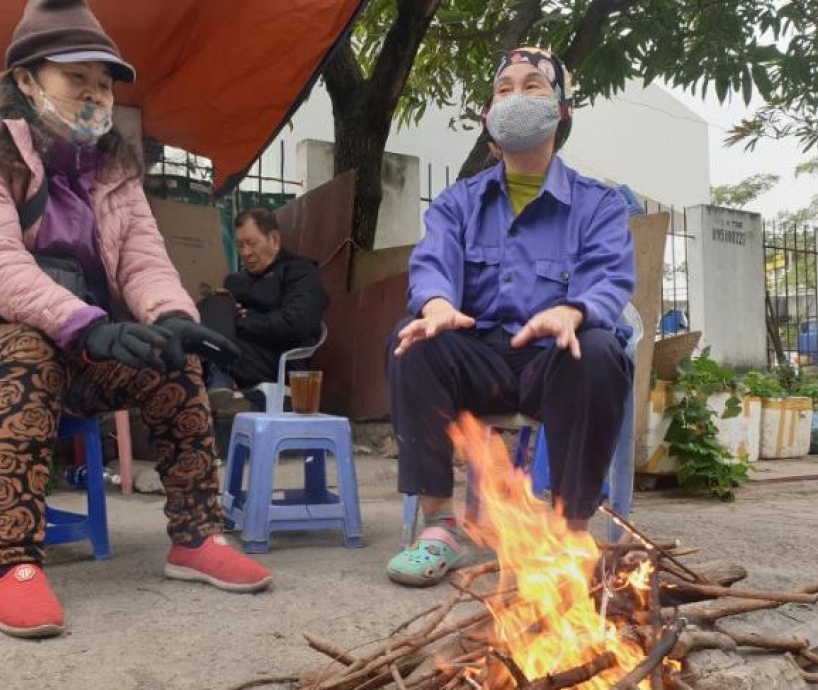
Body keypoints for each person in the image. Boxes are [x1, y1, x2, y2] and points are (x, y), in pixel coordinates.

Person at [0, 0, 271, 639]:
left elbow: (143, 258)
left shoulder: (112, 166)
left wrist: (172, 316)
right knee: (24, 349)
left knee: (171, 358)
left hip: (68, 342)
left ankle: (196, 538)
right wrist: (86, 323)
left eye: (103, 83)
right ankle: (14, 564)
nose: (94, 95)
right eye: (76, 78)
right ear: (25, 79)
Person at [384, 47, 635, 587]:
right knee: (413, 343)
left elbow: (610, 277)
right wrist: (437, 306)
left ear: (561, 112)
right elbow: (432, 265)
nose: (515, 98)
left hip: (553, 364)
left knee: (597, 350)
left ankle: (571, 534)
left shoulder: (598, 204)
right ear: (487, 116)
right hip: (480, 360)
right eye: (504, 89)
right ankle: (440, 525)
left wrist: (572, 311)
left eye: (533, 86)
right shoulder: (458, 202)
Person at [198, 207, 329, 408]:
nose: (245, 253)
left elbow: (295, 324)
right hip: (238, 352)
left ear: (274, 239)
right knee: (212, 305)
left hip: (279, 360)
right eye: (239, 245)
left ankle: (219, 377)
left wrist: (242, 321)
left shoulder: (301, 272)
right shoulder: (235, 281)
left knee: (214, 335)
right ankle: (217, 379)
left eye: (251, 243)